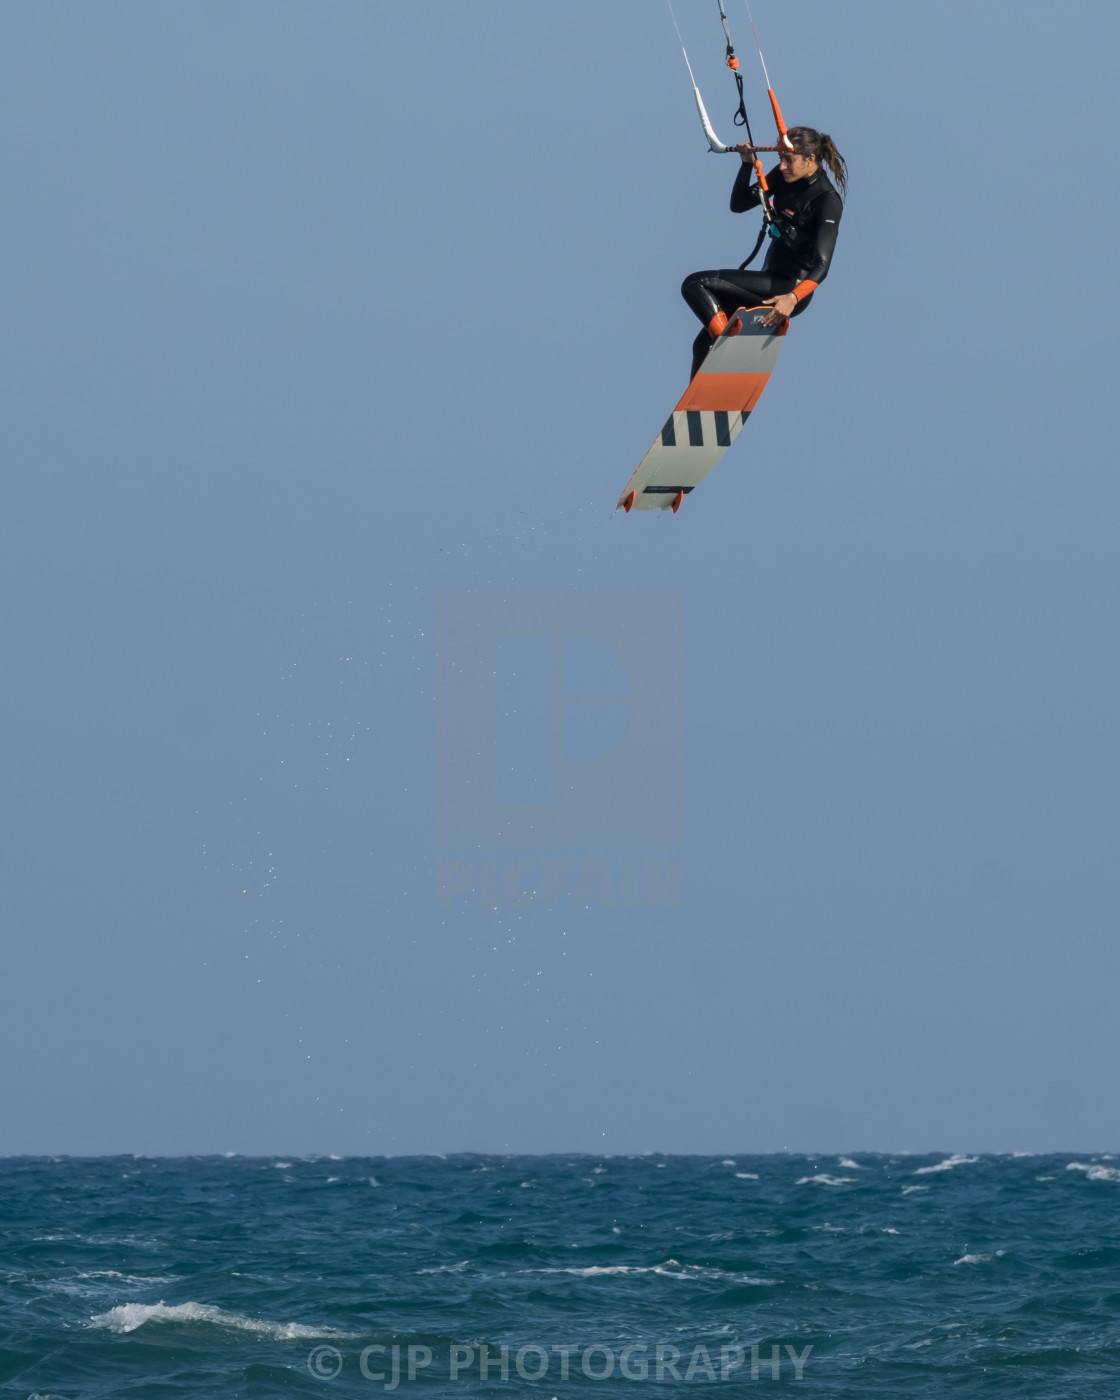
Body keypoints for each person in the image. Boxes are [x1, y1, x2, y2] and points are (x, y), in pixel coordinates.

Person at [681, 127, 847, 377]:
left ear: (809, 159)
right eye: (781, 159)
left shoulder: (827, 200)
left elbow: (822, 265)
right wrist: (746, 165)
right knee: (702, 342)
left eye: (788, 160)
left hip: (789, 291)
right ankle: (699, 408)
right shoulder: (784, 177)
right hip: (768, 280)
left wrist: (792, 298)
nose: (781, 166)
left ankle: (729, 348)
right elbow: (738, 205)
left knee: (696, 284)